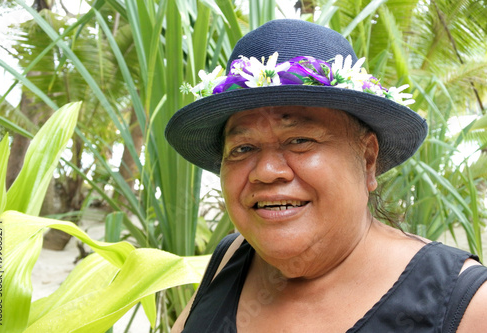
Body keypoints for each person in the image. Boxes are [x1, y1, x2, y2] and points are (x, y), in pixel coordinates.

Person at [165, 19, 487, 332]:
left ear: (368, 159)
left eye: (300, 140)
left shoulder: (466, 306)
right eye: (242, 148)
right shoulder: (230, 259)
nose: (265, 172)